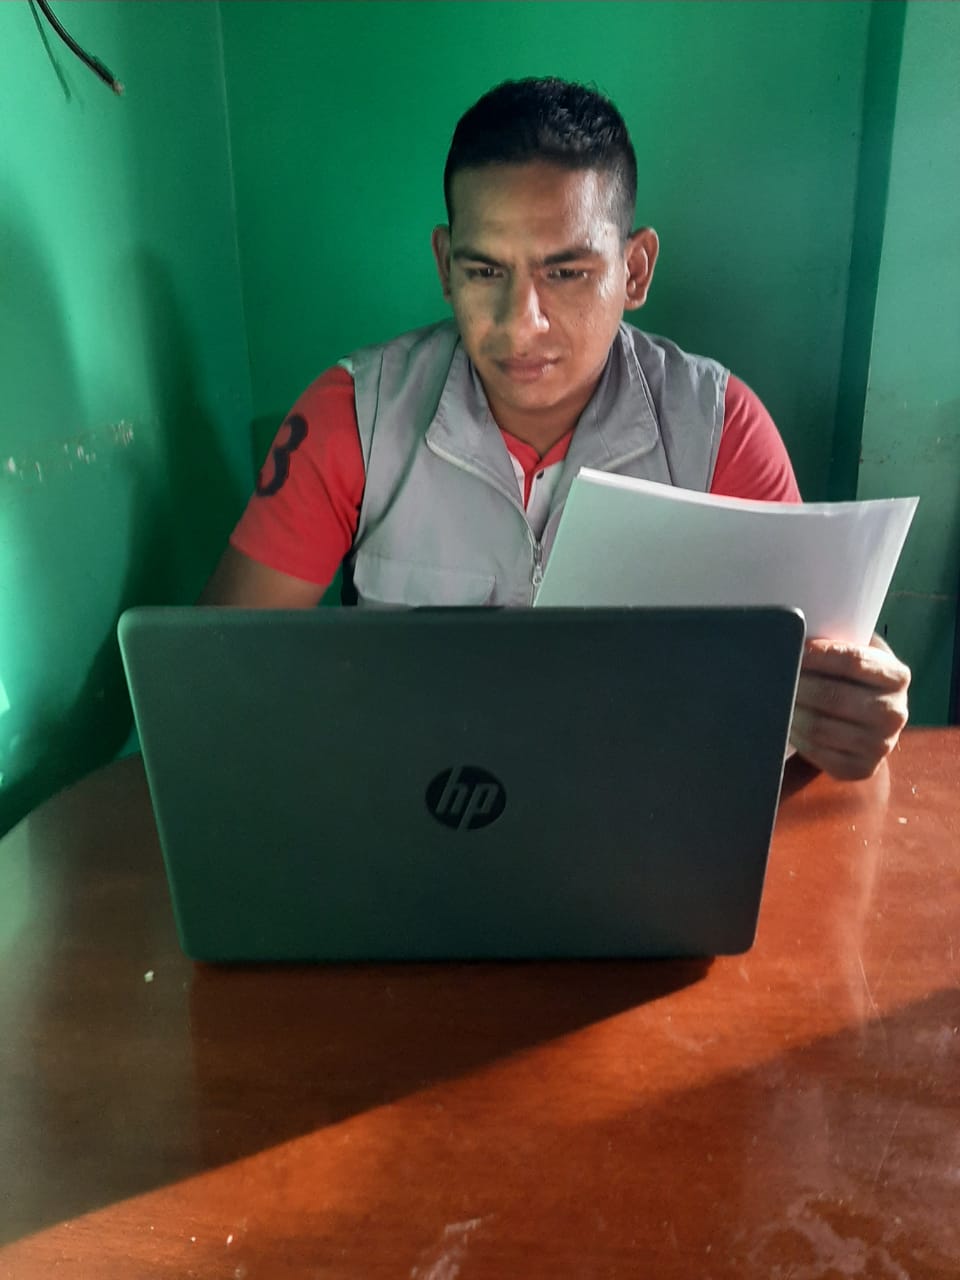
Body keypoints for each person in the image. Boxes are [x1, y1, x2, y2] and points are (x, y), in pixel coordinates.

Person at [201, 77, 910, 782]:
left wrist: (848, 702)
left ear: (634, 271)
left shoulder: (719, 428)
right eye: (486, 271)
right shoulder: (354, 415)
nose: (521, 324)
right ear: (445, 266)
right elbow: (219, 680)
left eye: (566, 272)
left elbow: (811, 673)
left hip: (642, 808)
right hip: (413, 801)